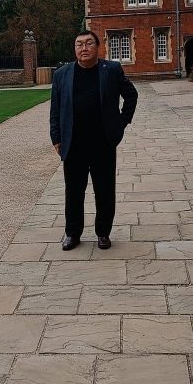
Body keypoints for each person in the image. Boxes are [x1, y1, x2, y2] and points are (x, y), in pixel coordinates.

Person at [49, 30, 138, 250]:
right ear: (75, 48)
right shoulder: (62, 74)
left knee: (104, 190)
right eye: (79, 44)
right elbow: (56, 109)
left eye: (89, 43)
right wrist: (56, 137)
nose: (84, 48)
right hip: (74, 143)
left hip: (103, 142)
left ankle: (103, 233)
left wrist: (121, 123)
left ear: (98, 47)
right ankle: (73, 233)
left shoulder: (111, 70)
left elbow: (131, 95)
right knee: (73, 192)